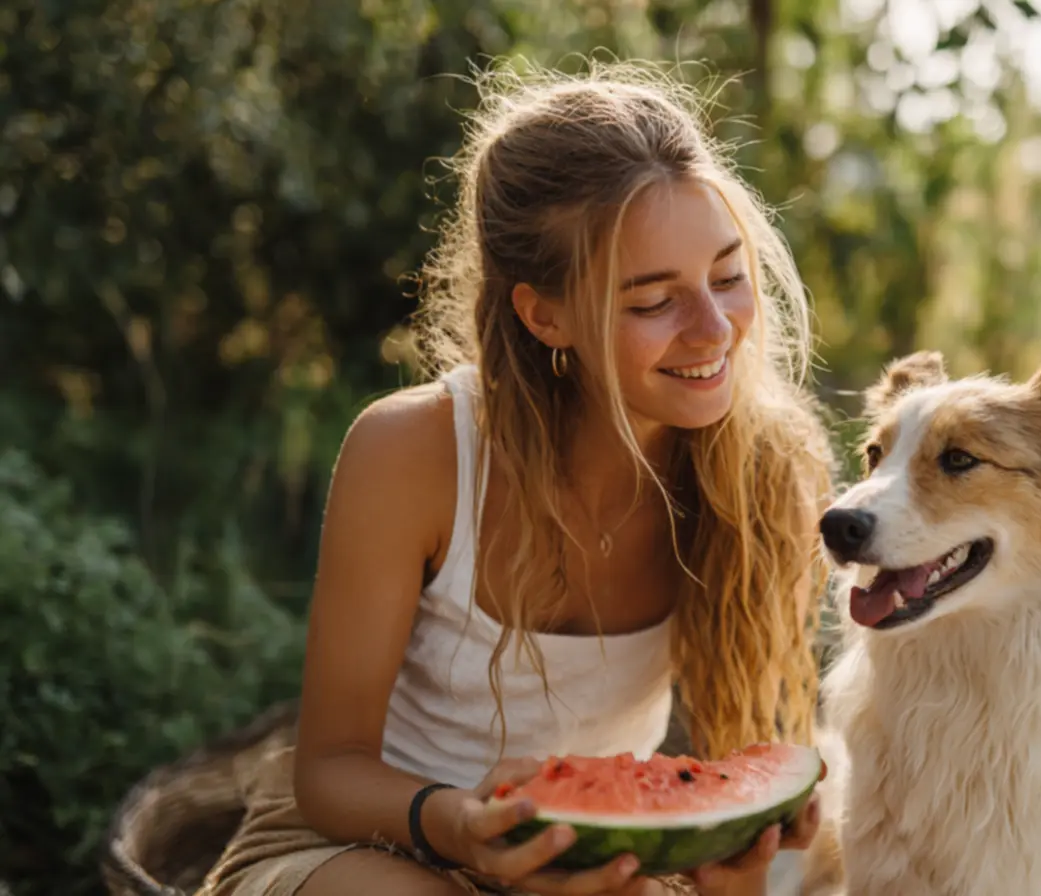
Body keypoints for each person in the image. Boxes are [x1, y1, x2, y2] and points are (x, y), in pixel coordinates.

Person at [198, 59, 836, 896]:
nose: (715, 329)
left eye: (727, 277)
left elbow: (714, 794)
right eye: (653, 302)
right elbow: (330, 771)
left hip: (593, 863)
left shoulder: (768, 477)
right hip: (370, 840)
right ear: (545, 314)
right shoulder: (414, 454)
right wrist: (463, 827)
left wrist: (735, 866)